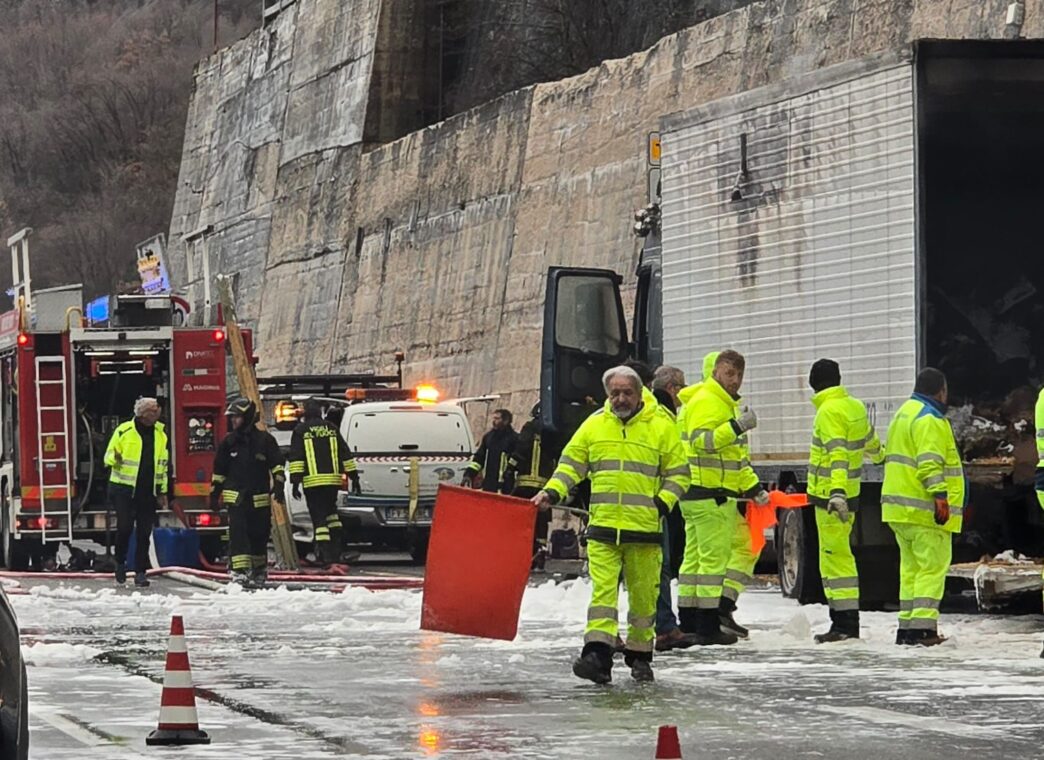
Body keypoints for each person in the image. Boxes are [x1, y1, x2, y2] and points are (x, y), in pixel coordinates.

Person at [532, 366, 689, 684]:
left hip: (644, 532)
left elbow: (679, 473)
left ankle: (640, 656)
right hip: (603, 530)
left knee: (644, 599)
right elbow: (571, 465)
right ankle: (597, 656)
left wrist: (661, 503)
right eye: (614, 393)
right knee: (602, 596)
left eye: (626, 393)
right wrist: (551, 491)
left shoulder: (661, 426)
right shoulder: (594, 426)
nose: (620, 399)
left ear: (638, 392)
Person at [677, 350, 768, 645]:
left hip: (698, 493)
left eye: (739, 375)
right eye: (730, 374)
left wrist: (754, 489)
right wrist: (737, 427)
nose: (735, 381)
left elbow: (735, 460)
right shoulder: (709, 402)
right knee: (712, 563)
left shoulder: (712, 402)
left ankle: (689, 621)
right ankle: (707, 626)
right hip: (710, 494)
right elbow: (704, 442)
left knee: (694, 561)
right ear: (716, 372)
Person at [881, 368, 964, 646]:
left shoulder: (904, 413)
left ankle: (907, 627)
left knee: (911, 569)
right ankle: (924, 630)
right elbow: (930, 462)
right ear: (940, 391)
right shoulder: (930, 419)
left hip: (899, 510)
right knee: (932, 567)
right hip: (924, 510)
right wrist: (940, 496)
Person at [806, 359, 884, 643]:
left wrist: (835, 492)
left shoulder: (827, 411)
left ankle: (844, 624)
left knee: (834, 561)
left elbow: (837, 454)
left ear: (814, 382)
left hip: (830, 499)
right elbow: (870, 440)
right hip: (851, 496)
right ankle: (845, 621)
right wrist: (881, 457)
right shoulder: (854, 406)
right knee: (842, 558)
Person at [210, 398, 286, 588]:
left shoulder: (265, 440)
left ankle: (259, 571)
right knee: (238, 535)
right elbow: (219, 472)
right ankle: (239, 571)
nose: (234, 421)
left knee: (259, 535)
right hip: (236, 499)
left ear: (248, 417)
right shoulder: (228, 443)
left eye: (237, 417)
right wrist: (214, 494)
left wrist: (279, 485)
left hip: (259, 498)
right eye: (232, 417)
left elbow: (277, 464)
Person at [649, 365, 696, 652]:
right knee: (657, 567)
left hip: (649, 503)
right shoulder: (660, 415)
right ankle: (663, 629)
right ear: (673, 388)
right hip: (650, 505)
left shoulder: (655, 411)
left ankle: (665, 627)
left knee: (658, 568)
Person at [104, 397, 169, 587]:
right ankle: (120, 563)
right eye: (153, 410)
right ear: (142, 415)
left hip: (147, 492)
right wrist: (114, 458)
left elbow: (162, 465)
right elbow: (108, 456)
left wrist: (163, 491)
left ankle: (141, 572)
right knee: (124, 527)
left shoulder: (160, 434)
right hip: (123, 490)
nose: (157, 412)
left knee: (144, 532)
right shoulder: (124, 431)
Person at [288, 399, 360, 566]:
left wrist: (295, 483)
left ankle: (324, 555)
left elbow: (296, 458)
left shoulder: (301, 430)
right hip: (332, 483)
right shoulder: (331, 428)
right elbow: (345, 454)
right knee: (332, 516)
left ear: (305, 414)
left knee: (319, 520)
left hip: (313, 484)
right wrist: (354, 477)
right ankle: (337, 551)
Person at [503, 403, 556, 564]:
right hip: (544, 486)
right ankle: (540, 551)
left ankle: (522, 552)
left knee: (521, 519)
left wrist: (510, 468)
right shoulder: (552, 430)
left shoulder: (529, 427)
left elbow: (521, 449)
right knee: (541, 519)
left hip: (525, 484)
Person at [463, 409, 518, 492]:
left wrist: (509, 472)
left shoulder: (514, 439)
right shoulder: (488, 438)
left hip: (506, 486)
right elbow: (479, 459)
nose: (494, 421)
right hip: (488, 485)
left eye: (497, 418)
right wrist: (469, 474)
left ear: (506, 421)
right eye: (493, 418)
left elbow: (517, 458)